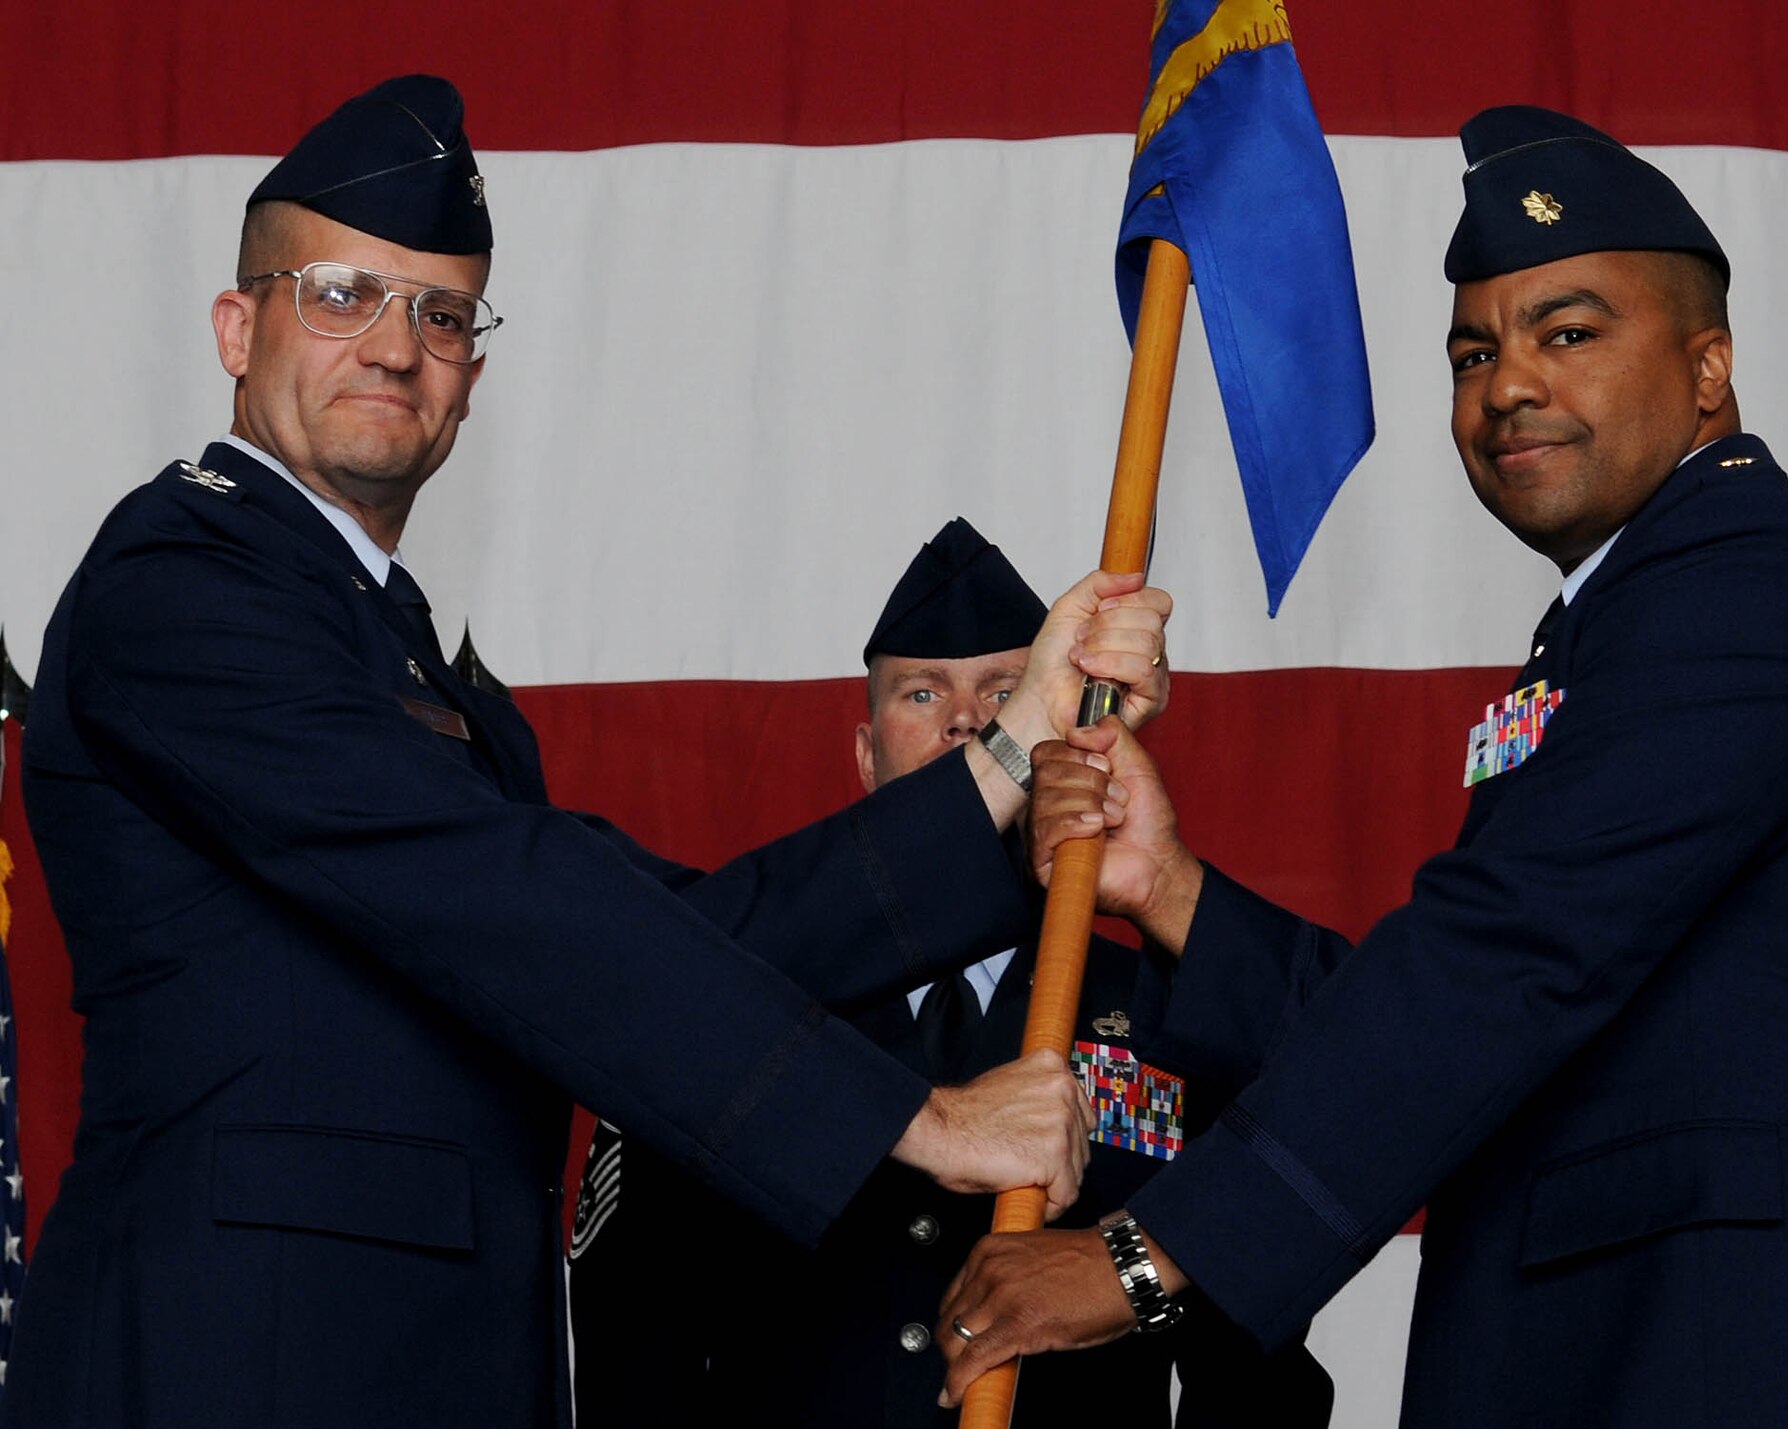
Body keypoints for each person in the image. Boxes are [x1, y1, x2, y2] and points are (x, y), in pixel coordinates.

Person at [6, 76, 1172, 1429]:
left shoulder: (428, 676)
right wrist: (917, 1121)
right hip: (237, 1367)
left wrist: (1016, 747)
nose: (396, 346)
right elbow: (507, 901)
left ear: (472, 376)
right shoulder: (180, 580)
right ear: (236, 323)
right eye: (342, 294)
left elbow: (658, 930)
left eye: (440, 313)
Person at [937, 105, 1788, 1427]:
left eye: (1570, 333)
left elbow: (1505, 962)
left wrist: (1144, 1258)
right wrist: (1170, 890)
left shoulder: (1756, 576)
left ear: (1709, 367)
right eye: (1473, 351)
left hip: (1740, 1359)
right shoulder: (1618, 621)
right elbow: (1496, 1021)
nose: (1507, 386)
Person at [566, 518, 1333, 1427]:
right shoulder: (735, 995)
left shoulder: (1169, 1004)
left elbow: (1249, 1340)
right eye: (923, 693)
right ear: (864, 755)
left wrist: (1127, 1279)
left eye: (1008, 689)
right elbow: (632, 1340)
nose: (969, 719)